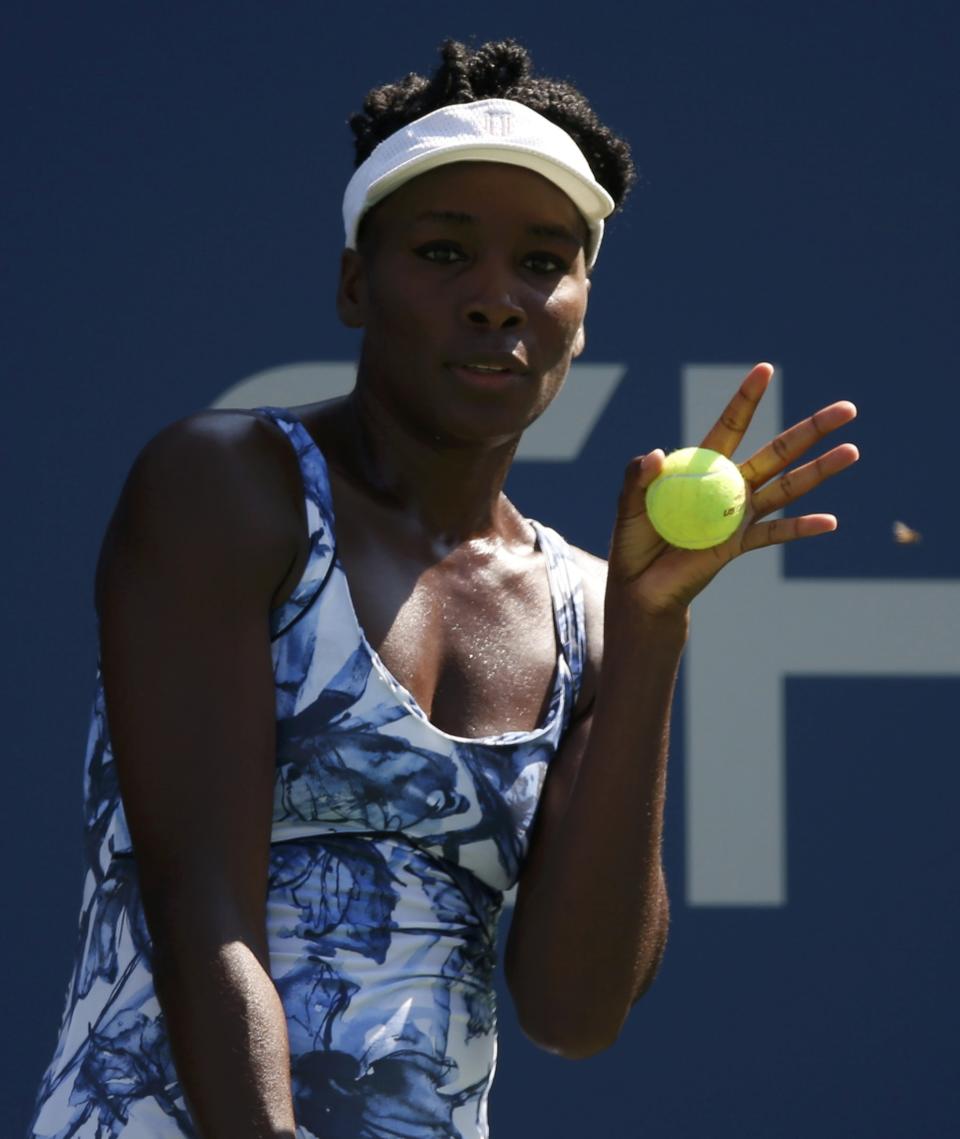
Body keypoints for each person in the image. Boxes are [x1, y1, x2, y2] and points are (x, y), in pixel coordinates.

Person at [28, 38, 859, 1139]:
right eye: (444, 252)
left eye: (541, 263)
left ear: (581, 310)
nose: (495, 301)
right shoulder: (224, 488)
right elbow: (203, 912)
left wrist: (649, 632)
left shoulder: (592, 605)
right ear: (353, 284)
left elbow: (574, 1007)